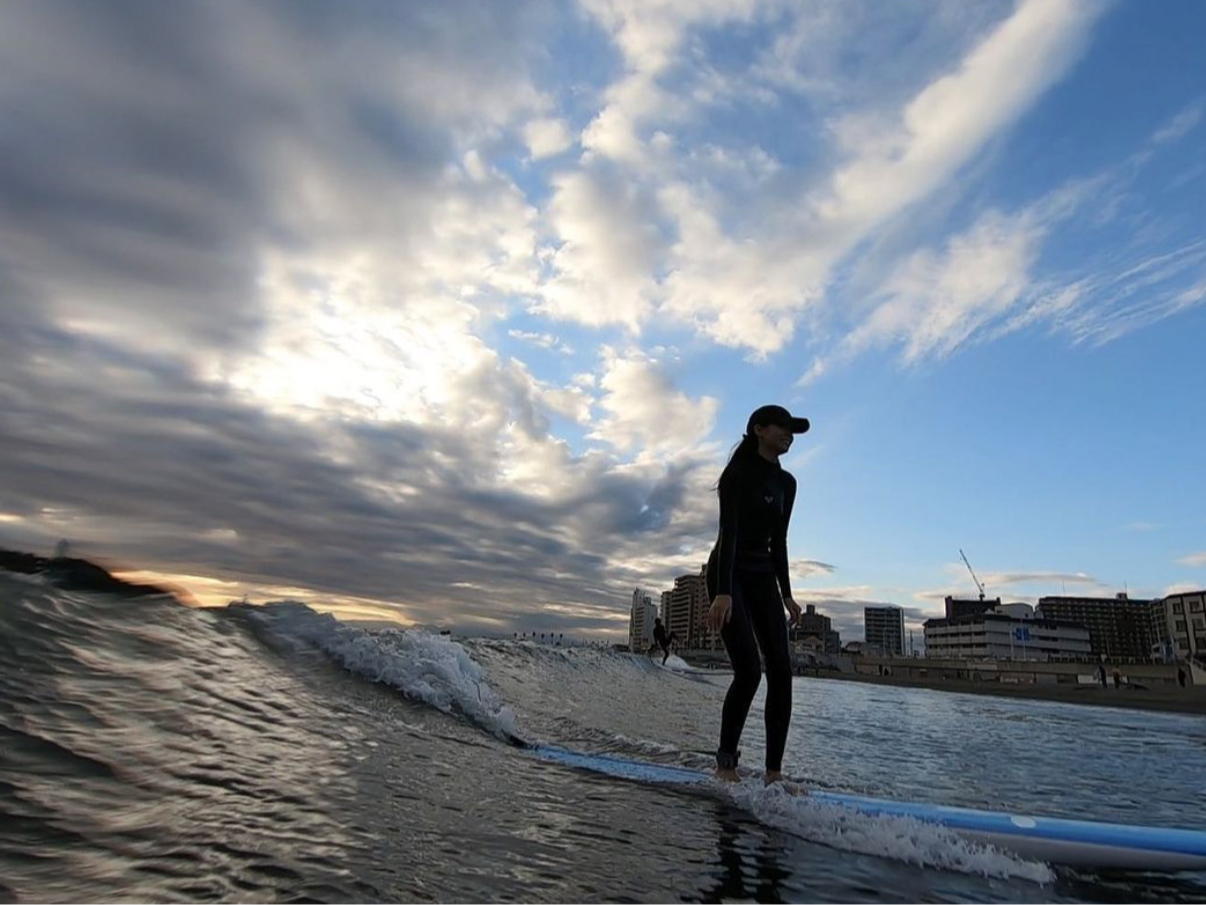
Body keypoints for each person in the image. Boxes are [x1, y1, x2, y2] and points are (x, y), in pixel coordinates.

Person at [704, 404, 807, 787]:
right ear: (759, 429)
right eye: (783, 426)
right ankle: (725, 765)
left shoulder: (787, 484)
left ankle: (773, 774)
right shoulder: (737, 473)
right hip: (728, 574)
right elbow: (727, 533)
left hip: (763, 575)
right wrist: (724, 592)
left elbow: (778, 542)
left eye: (793, 430)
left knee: (781, 669)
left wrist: (787, 595)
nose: (789, 434)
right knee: (748, 669)